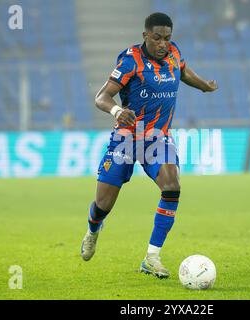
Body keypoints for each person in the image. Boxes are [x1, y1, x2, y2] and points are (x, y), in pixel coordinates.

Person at [81, 12, 218, 278]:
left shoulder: (173, 53)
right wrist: (117, 111)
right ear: (145, 35)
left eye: (167, 38)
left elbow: (182, 71)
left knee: (172, 185)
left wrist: (203, 86)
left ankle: (152, 257)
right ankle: (93, 230)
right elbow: (102, 96)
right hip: (126, 137)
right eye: (157, 38)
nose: (163, 44)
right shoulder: (131, 59)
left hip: (157, 137)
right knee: (103, 203)